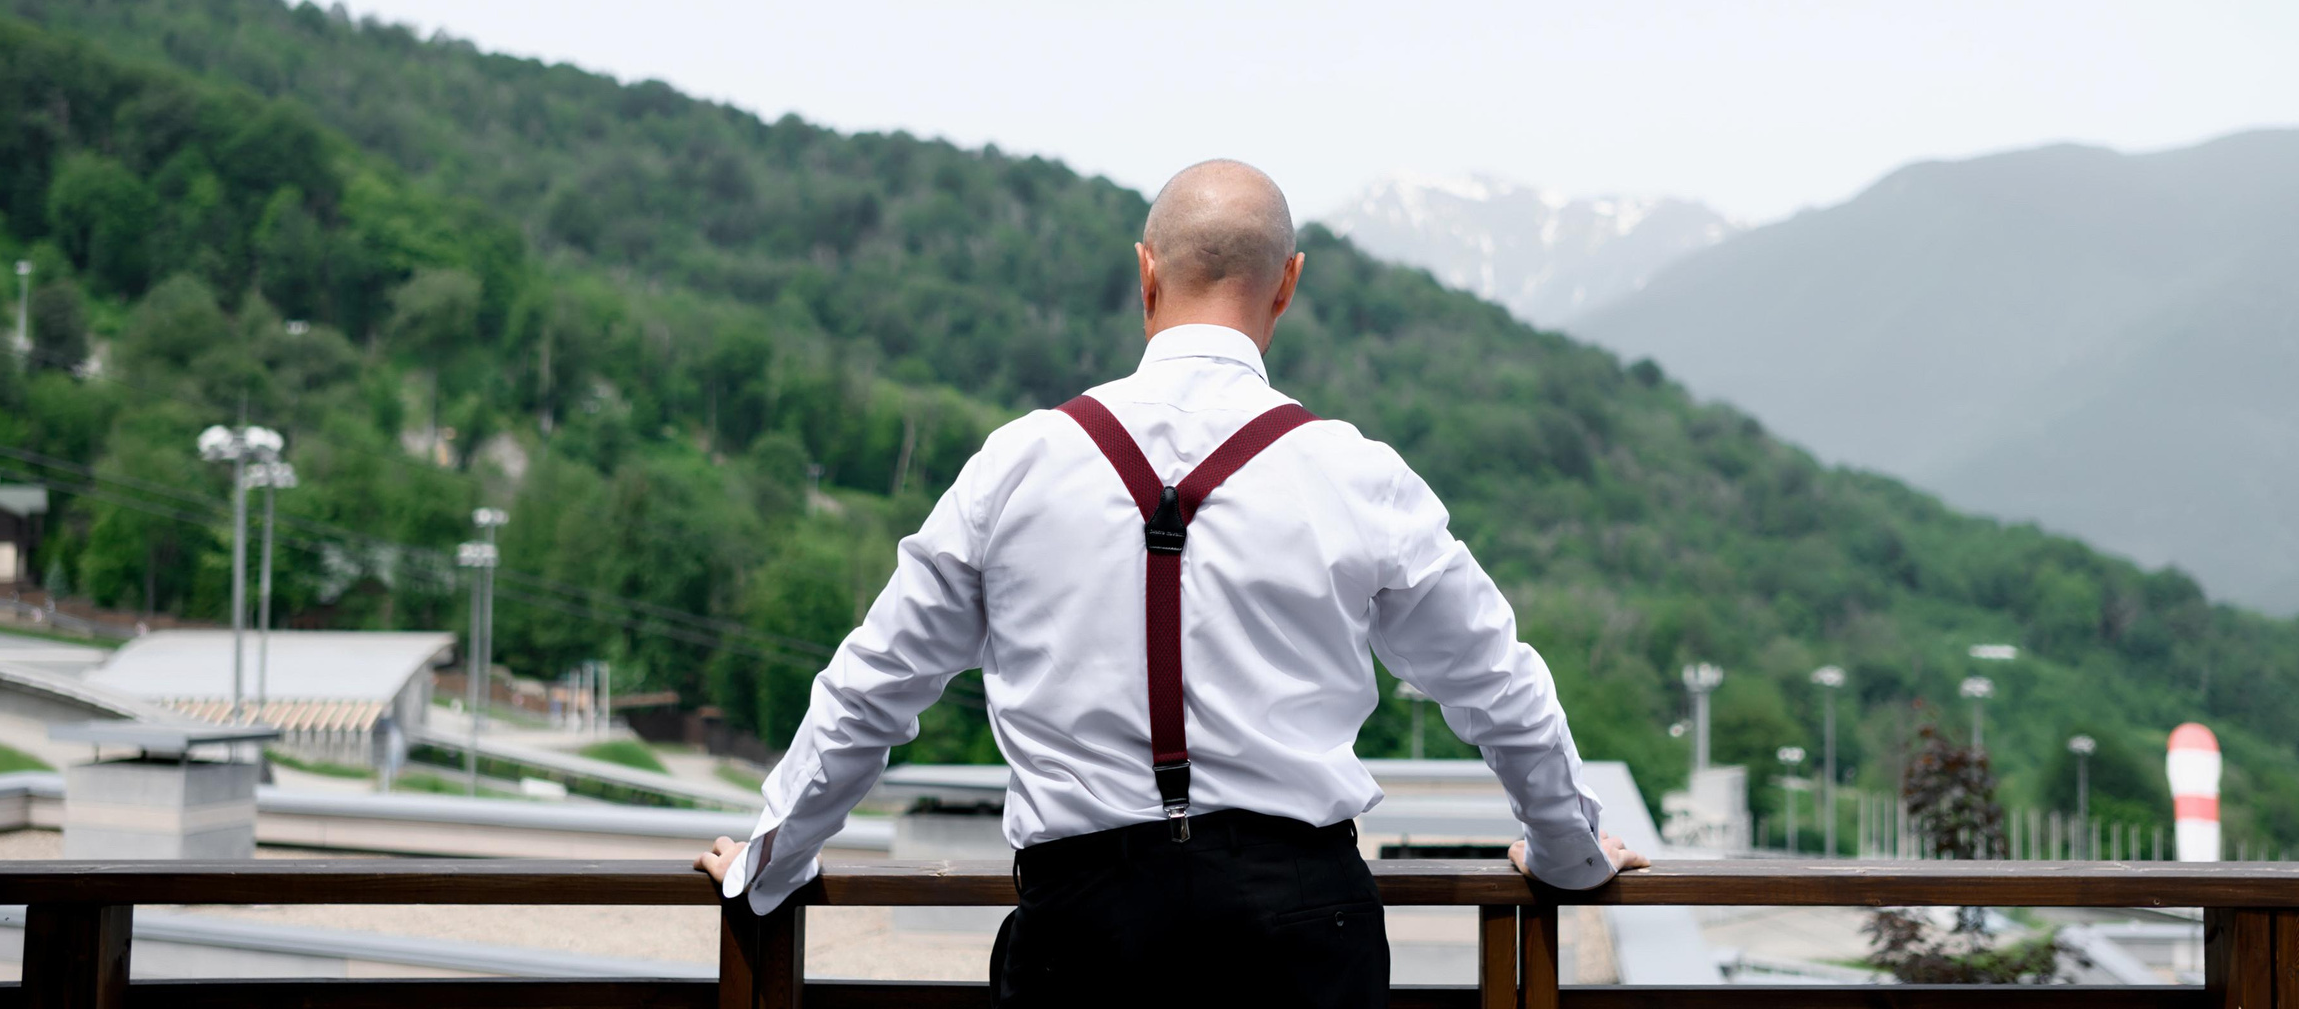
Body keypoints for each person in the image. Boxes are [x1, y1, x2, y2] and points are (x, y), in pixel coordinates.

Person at [698, 158, 1646, 1006]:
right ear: (1289, 284)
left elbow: (876, 686)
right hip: (1306, 934)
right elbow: (1496, 683)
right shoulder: (1356, 474)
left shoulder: (1018, 463)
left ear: (1144, 273)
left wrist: (770, 865)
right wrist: (1566, 853)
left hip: (1083, 932)